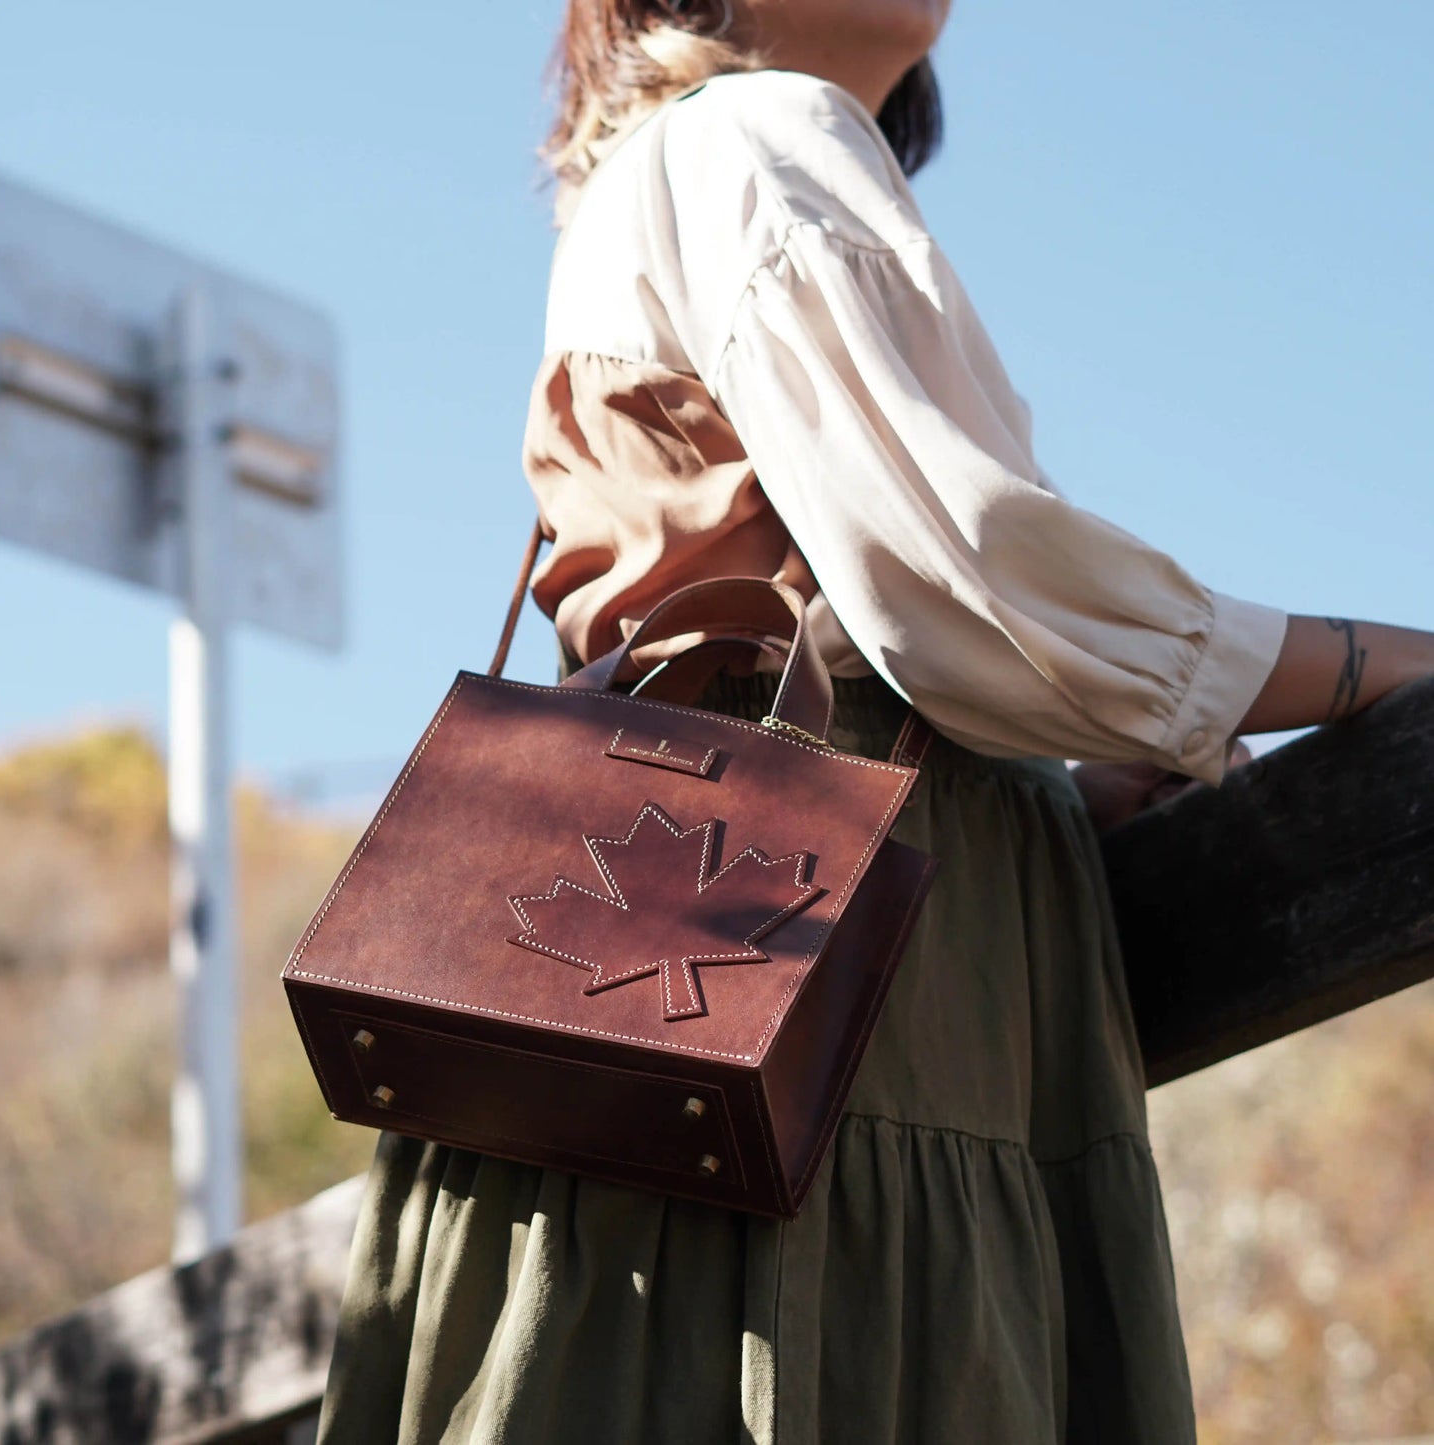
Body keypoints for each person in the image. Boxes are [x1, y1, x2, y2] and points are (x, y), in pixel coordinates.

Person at [315, 2, 1434, 1441]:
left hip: (702, 909)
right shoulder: (751, 134)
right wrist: (1367, 664)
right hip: (832, 953)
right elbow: (967, 581)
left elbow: (897, 609)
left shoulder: (663, 166)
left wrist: (1045, 785)